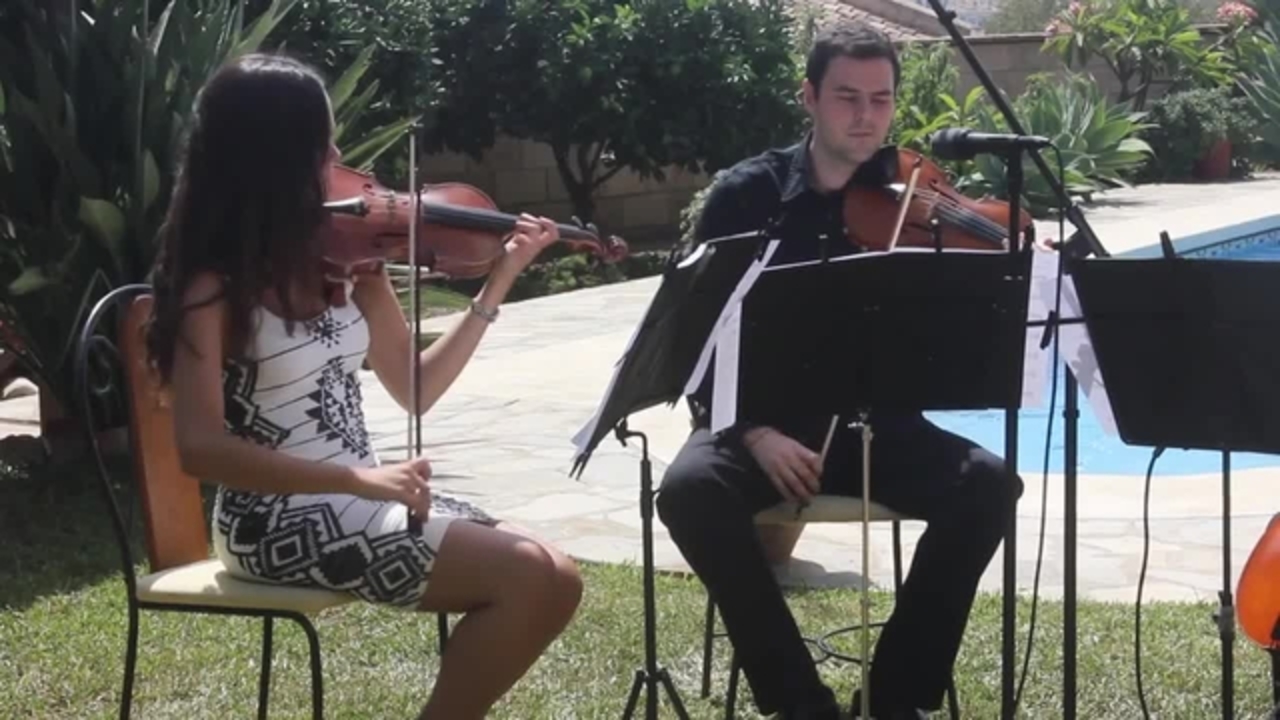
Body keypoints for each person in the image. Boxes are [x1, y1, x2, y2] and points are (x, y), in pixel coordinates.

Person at [144, 53, 582, 720]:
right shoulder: (213, 286)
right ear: (272, 156)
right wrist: (359, 480)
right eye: (322, 143)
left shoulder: (347, 261)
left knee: (559, 575)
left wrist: (501, 279)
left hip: (363, 496)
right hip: (271, 520)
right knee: (525, 574)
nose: (339, 156)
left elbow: (415, 387)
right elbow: (200, 449)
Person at [655, 21, 1025, 720]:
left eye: (880, 100)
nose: (866, 117)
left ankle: (895, 702)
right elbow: (695, 341)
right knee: (688, 492)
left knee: (988, 485)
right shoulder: (746, 195)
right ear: (810, 97)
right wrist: (754, 432)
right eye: (847, 98)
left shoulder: (912, 196)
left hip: (877, 423)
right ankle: (801, 705)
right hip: (764, 425)